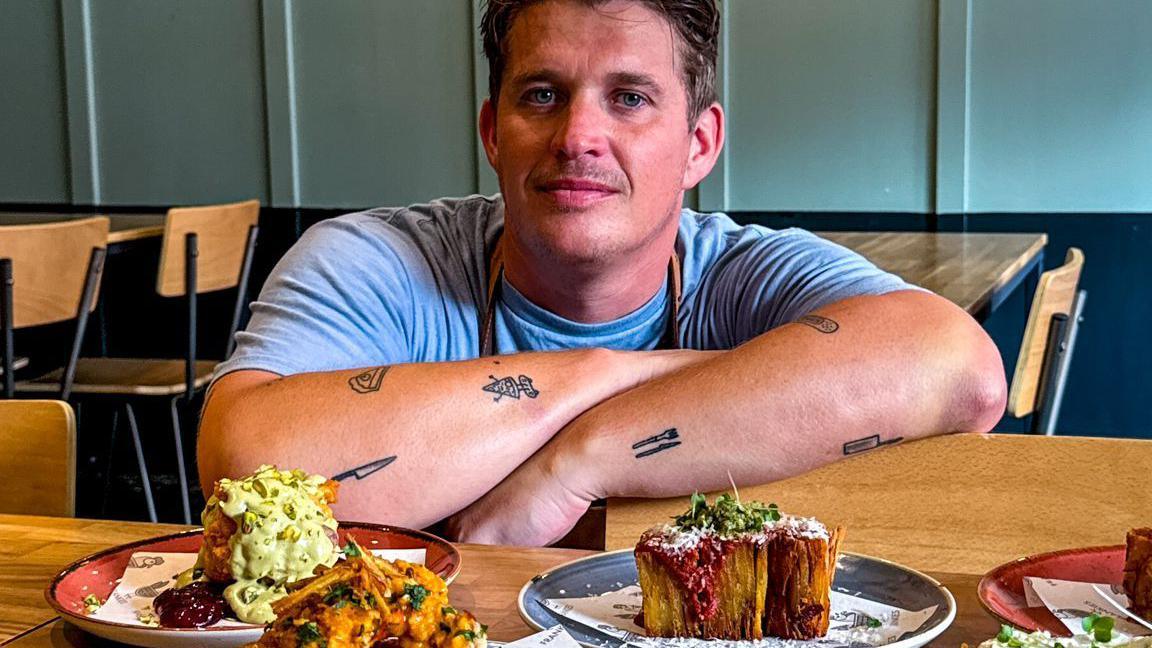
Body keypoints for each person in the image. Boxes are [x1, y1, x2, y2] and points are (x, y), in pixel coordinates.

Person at [198, 0, 1006, 546]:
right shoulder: (375, 261)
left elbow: (960, 372)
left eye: (628, 99)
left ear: (699, 144)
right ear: (492, 130)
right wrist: (613, 372)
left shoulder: (748, 271)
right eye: (542, 95)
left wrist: (571, 466)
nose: (578, 135)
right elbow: (243, 460)